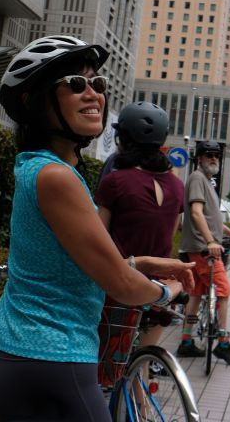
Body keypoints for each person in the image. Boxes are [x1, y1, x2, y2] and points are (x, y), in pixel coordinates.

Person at [0, 35, 194, 420]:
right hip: (51, 361)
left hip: (15, 358)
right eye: (74, 85)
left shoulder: (41, 166)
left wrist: (143, 263)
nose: (92, 94)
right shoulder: (56, 177)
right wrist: (169, 292)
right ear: (33, 101)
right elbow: (121, 286)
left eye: (97, 84)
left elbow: (71, 263)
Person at [94, 101, 185, 352]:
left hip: (120, 287)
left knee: (107, 368)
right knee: (140, 364)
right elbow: (169, 234)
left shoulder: (116, 181)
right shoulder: (177, 187)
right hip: (160, 290)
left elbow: (97, 239)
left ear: (122, 138)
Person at [176, 140, 230, 366]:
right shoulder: (197, 178)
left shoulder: (207, 182)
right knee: (223, 290)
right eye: (208, 155)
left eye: (216, 155)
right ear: (199, 158)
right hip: (202, 248)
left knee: (196, 294)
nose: (213, 158)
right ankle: (224, 343)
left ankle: (186, 341)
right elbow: (196, 213)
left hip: (197, 247)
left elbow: (209, 215)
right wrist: (209, 241)